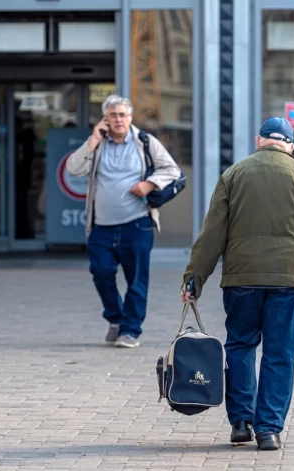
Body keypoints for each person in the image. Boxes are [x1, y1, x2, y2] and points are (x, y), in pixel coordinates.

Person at [180, 117, 294, 451]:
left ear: (259, 141)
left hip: (241, 278)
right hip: (289, 280)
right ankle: (268, 430)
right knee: (279, 354)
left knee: (240, 346)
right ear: (290, 146)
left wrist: (194, 280)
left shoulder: (234, 175)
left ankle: (240, 422)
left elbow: (212, 235)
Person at [66, 95, 182, 348]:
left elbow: (172, 170)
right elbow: (73, 169)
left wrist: (148, 184)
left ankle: (130, 330)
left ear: (129, 118)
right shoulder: (98, 145)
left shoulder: (145, 142)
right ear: (105, 120)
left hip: (137, 224)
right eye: (112, 115)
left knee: (136, 280)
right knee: (101, 272)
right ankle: (116, 318)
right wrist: (93, 139)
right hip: (101, 227)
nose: (118, 119)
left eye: (122, 115)